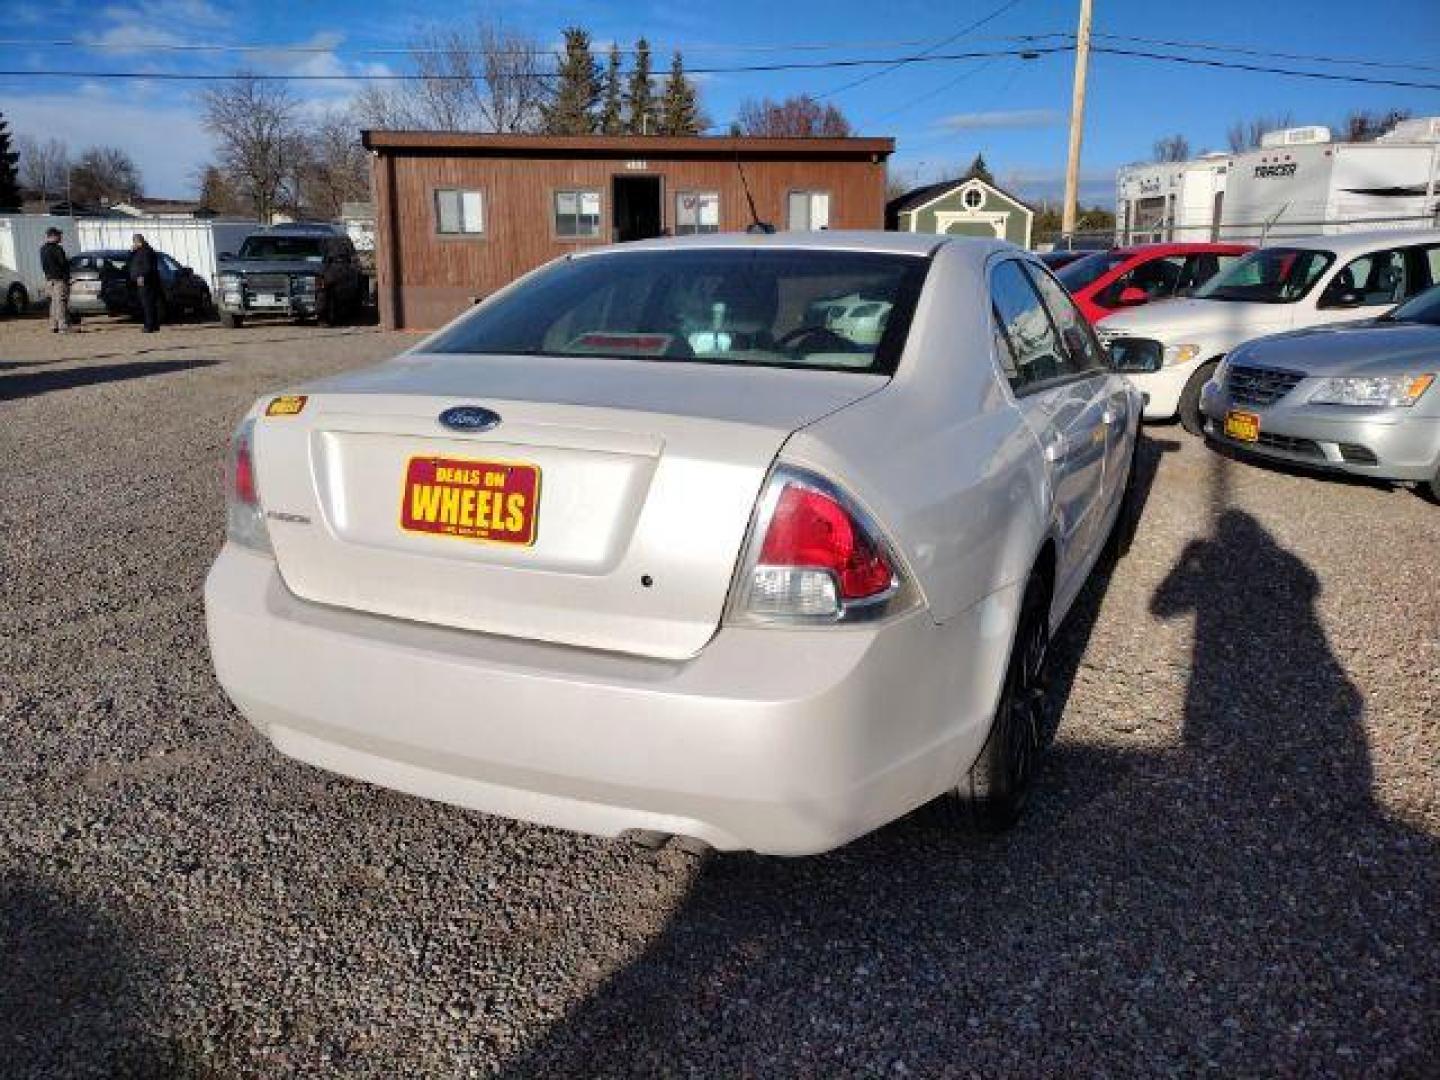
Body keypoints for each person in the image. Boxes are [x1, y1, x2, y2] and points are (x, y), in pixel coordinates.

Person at [40, 226, 73, 333]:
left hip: (49, 280)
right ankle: (63, 326)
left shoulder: (43, 249)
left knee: (53, 303)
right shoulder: (57, 249)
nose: (61, 237)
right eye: (59, 235)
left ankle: (53, 325)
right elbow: (63, 264)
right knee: (61, 303)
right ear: (53, 236)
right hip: (59, 280)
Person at [129, 233, 163, 333]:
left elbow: (146, 266)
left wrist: (141, 276)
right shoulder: (139, 251)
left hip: (146, 281)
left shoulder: (146, 251)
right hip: (145, 280)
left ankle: (149, 325)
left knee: (147, 304)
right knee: (149, 303)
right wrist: (131, 252)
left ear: (139, 241)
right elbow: (132, 261)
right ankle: (154, 324)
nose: (134, 244)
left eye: (135, 241)